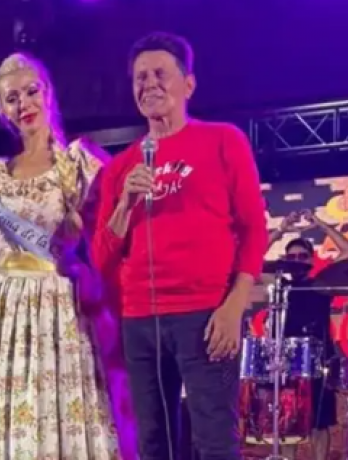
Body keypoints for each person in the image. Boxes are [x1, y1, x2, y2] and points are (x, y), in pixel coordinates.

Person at [0, 52, 131, 460]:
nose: (23, 104)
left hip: (58, 310)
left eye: (31, 92)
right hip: (2, 315)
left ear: (48, 94)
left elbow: (109, 239)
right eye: (12, 98)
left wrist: (77, 244)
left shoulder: (80, 163)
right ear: (1, 109)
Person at [91, 31, 268, 460]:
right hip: (140, 320)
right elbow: (101, 258)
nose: (149, 84)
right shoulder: (120, 167)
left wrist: (234, 305)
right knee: (154, 443)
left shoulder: (223, 140)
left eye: (160, 74)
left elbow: (253, 229)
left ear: (188, 84)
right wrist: (125, 205)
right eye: (140, 77)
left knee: (214, 441)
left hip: (206, 314)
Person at [267, 209, 348, 460]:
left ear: (311, 259)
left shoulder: (322, 283)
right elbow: (251, 261)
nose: (296, 261)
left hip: (318, 357)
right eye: (291, 256)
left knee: (320, 422)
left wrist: (319, 224)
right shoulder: (280, 286)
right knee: (287, 421)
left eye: (302, 256)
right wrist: (281, 229)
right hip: (284, 359)